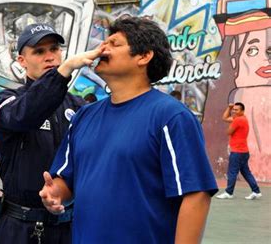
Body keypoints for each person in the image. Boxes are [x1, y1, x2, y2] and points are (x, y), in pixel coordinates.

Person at [39, 17, 218, 243]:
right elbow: (66, 179)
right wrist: (55, 194)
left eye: (114, 44)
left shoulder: (171, 117)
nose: (102, 48)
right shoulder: (83, 116)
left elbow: (196, 195)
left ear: (144, 56)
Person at [0, 23, 87, 243]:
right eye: (39, 51)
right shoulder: (6, 101)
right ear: (21, 61)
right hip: (19, 227)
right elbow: (24, 115)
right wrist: (63, 72)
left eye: (54, 49)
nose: (49, 56)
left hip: (67, 225)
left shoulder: (78, 107)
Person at [216, 102, 262, 200]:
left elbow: (228, 132)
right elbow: (224, 118)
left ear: (242, 111)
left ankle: (229, 193)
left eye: (236, 110)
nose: (234, 111)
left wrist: (232, 124)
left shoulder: (238, 120)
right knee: (246, 172)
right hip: (244, 152)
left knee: (232, 172)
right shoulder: (241, 118)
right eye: (233, 109)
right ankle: (256, 191)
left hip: (238, 152)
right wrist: (229, 107)